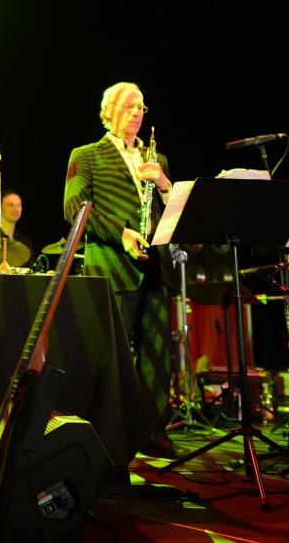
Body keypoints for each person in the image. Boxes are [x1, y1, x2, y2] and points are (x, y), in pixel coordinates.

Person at [63, 81, 177, 458]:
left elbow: (172, 211)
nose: (137, 112)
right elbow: (74, 207)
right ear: (108, 109)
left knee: (158, 355)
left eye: (142, 107)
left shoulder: (156, 160)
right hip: (112, 264)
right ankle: (107, 429)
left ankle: (153, 429)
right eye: (129, 105)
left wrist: (164, 186)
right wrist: (121, 234)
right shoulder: (87, 155)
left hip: (155, 267)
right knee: (110, 352)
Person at [0, 188, 34, 265]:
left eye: (19, 205)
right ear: (1, 209)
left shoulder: (25, 242)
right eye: (10, 205)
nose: (16, 209)